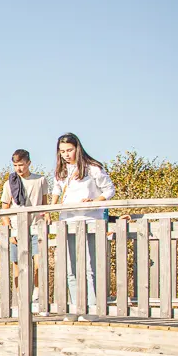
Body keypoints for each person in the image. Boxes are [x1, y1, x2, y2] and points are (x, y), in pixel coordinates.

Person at [50, 133, 114, 313]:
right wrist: (51, 208)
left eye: (69, 150)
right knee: (70, 267)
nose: (66, 154)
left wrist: (95, 201)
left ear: (77, 148)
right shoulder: (61, 171)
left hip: (89, 220)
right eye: (62, 151)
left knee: (89, 266)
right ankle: (75, 307)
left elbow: (109, 189)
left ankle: (93, 307)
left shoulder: (92, 168)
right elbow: (56, 189)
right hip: (67, 220)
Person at [0, 149, 50, 301]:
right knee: (17, 264)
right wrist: (9, 230)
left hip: (36, 226)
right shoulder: (10, 183)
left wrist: (47, 216)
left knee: (39, 262)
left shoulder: (40, 180)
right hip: (16, 228)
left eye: (21, 165)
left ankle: (37, 294)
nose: (18, 169)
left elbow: (44, 203)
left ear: (28, 163)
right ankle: (20, 297)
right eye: (15, 165)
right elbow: (5, 208)